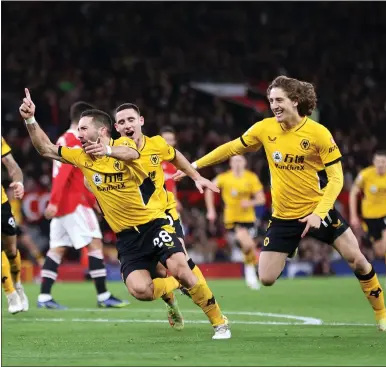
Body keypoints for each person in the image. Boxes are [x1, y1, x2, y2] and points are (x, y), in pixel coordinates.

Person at [174, 75, 386, 332]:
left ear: (295, 101)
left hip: (318, 211)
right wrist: (193, 166)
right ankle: (290, 246)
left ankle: (383, 317)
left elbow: (336, 179)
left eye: (279, 100)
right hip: (283, 217)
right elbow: (232, 148)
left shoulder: (318, 133)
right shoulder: (265, 128)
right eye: (271, 100)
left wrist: (319, 213)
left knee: (358, 260)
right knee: (266, 278)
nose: (274, 105)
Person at [19, 89, 231, 340]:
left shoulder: (124, 144)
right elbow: (45, 149)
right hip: (127, 238)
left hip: (154, 222)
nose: (79, 133)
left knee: (181, 267)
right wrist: (30, 120)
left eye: (84, 128)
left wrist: (107, 151)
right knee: (140, 289)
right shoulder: (81, 157)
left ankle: (219, 322)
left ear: (102, 131)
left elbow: (133, 154)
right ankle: (174, 287)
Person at [113, 103, 226, 332]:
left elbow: (176, 157)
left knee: (180, 264)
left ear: (141, 121)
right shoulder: (113, 150)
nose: (127, 125)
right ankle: (171, 297)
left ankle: (219, 321)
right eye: (122, 122)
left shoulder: (156, 144)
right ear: (116, 127)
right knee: (156, 275)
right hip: (134, 226)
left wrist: (196, 176)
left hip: (164, 215)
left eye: (131, 120)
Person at [37, 101, 128, 309]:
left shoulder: (63, 139)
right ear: (81, 122)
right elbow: (65, 174)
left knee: (57, 250)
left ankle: (44, 297)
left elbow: (70, 175)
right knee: (95, 243)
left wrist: (57, 203)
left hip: (64, 205)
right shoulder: (73, 141)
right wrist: (55, 201)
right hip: (74, 204)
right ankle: (104, 295)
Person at [205, 155, 265, 290]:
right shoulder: (224, 177)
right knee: (248, 243)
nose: (237, 163)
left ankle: (251, 273)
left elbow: (261, 199)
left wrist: (250, 202)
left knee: (248, 247)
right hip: (232, 220)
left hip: (249, 219)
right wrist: (211, 210)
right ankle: (252, 273)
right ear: (230, 164)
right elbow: (209, 189)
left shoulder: (251, 177)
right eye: (234, 161)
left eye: (240, 160)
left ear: (245, 163)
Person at [349, 151, 386, 289]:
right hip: (369, 217)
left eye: (383, 162)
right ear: (374, 162)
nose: (380, 164)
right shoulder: (365, 174)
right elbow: (353, 192)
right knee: (379, 251)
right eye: (378, 161)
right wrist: (353, 216)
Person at [1, 136, 29, 314]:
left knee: (11, 250)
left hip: (1, 203)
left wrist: (18, 182)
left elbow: (12, 166)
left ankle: (17, 284)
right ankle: (10, 294)